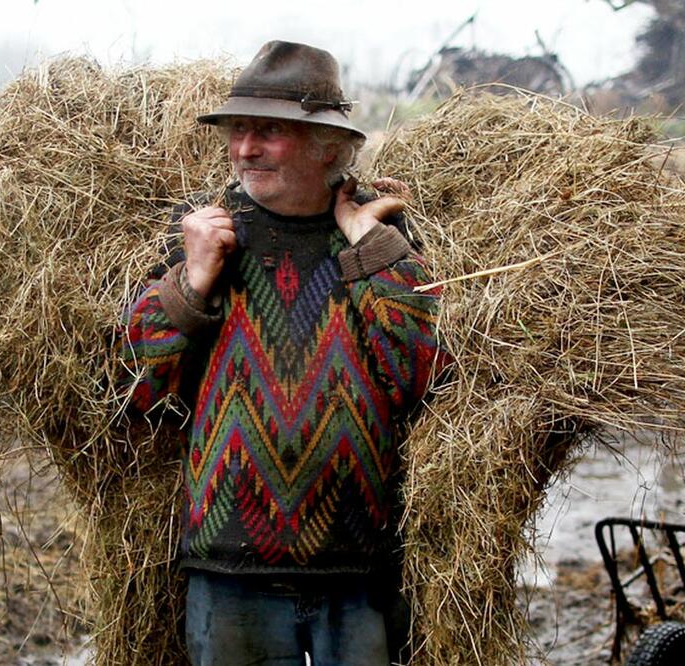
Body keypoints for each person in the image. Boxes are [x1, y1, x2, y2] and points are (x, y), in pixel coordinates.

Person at [120, 40, 445, 665]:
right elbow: (138, 388)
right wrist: (191, 283)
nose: (245, 148)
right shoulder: (201, 237)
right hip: (228, 569)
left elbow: (419, 376)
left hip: (358, 568)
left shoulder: (385, 238)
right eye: (238, 130)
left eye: (269, 131)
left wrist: (369, 247)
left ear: (329, 144)